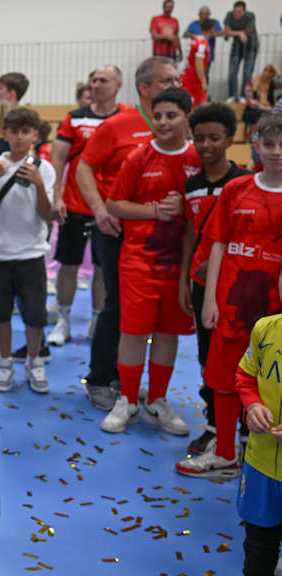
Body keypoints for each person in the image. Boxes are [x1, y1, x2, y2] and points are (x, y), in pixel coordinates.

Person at [177, 113, 282, 479]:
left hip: (271, 311)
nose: (277, 152)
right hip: (231, 304)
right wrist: (210, 300)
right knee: (223, 380)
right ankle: (224, 454)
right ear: (255, 145)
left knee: (266, 382)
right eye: (269, 144)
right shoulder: (237, 189)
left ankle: (261, 456)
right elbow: (218, 244)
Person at [77, 56, 181, 411]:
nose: (175, 85)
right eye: (168, 80)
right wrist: (99, 209)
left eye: (177, 80)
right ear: (145, 88)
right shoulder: (118, 124)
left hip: (162, 237)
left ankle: (130, 383)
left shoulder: (179, 125)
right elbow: (84, 168)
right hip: (118, 230)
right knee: (118, 304)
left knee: (156, 312)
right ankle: (100, 378)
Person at [101, 87, 199, 435]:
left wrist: (184, 209)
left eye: (171, 115)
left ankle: (157, 399)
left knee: (168, 333)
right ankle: (127, 399)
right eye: (157, 116)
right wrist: (156, 212)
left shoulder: (197, 158)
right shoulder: (139, 157)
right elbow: (114, 204)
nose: (162, 122)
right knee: (133, 332)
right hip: (139, 262)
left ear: (187, 117)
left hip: (180, 265)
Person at [177, 103, 250, 457]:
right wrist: (184, 281)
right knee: (207, 357)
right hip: (201, 287)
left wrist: (222, 266)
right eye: (199, 138)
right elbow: (191, 236)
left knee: (242, 357)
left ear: (230, 140)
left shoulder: (243, 183)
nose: (206, 145)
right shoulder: (191, 185)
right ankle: (214, 424)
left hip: (236, 288)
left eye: (214, 138)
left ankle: (248, 426)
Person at [49, 65, 125, 349]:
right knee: (67, 265)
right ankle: (64, 319)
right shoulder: (74, 118)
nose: (96, 84)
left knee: (103, 268)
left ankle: (96, 320)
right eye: (93, 79)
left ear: (118, 85)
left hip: (111, 208)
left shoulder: (127, 118)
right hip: (75, 204)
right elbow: (58, 160)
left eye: (103, 80)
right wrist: (56, 196)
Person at [0, 107, 55, 394]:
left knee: (35, 315)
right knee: (0, 314)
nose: (20, 137)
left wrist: (39, 185)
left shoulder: (43, 168)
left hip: (31, 253)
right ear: (6, 134)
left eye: (26, 132)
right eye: (15, 131)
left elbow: (46, 214)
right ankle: (5, 362)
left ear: (35, 135)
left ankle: (34, 361)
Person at [235, 284, 282, 575]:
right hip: (261, 464)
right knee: (258, 545)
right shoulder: (265, 329)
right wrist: (252, 406)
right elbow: (246, 375)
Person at [224, 1, 258, 103]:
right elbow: (226, 31)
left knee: (247, 73)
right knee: (232, 72)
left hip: (250, 46)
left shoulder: (250, 16)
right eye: (235, 11)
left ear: (244, 11)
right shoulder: (229, 15)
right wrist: (239, 33)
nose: (236, 14)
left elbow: (248, 31)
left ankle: (244, 96)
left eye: (239, 12)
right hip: (236, 46)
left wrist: (235, 33)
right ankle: (232, 95)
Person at [183, 6, 224, 77]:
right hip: (195, 54)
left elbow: (221, 32)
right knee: (195, 75)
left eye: (207, 14)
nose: (206, 16)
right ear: (199, 14)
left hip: (208, 54)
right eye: (204, 14)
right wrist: (195, 36)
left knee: (204, 75)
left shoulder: (213, 23)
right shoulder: (194, 24)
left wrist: (210, 34)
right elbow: (185, 34)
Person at [181, 19, 212, 108]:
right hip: (193, 79)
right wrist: (203, 81)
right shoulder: (202, 44)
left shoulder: (196, 40)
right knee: (196, 106)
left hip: (189, 76)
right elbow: (198, 62)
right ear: (212, 30)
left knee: (199, 104)